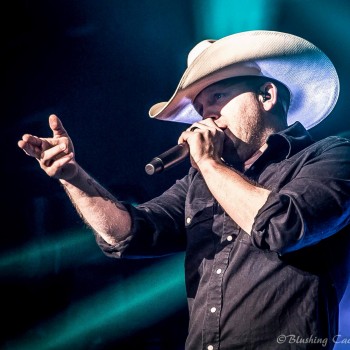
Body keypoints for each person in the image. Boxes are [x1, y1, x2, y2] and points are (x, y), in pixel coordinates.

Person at [18, 30, 350, 350]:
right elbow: (126, 234)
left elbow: (283, 226)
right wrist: (73, 177)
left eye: (217, 98)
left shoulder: (332, 156)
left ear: (266, 96)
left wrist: (208, 162)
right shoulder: (202, 183)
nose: (207, 118)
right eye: (201, 109)